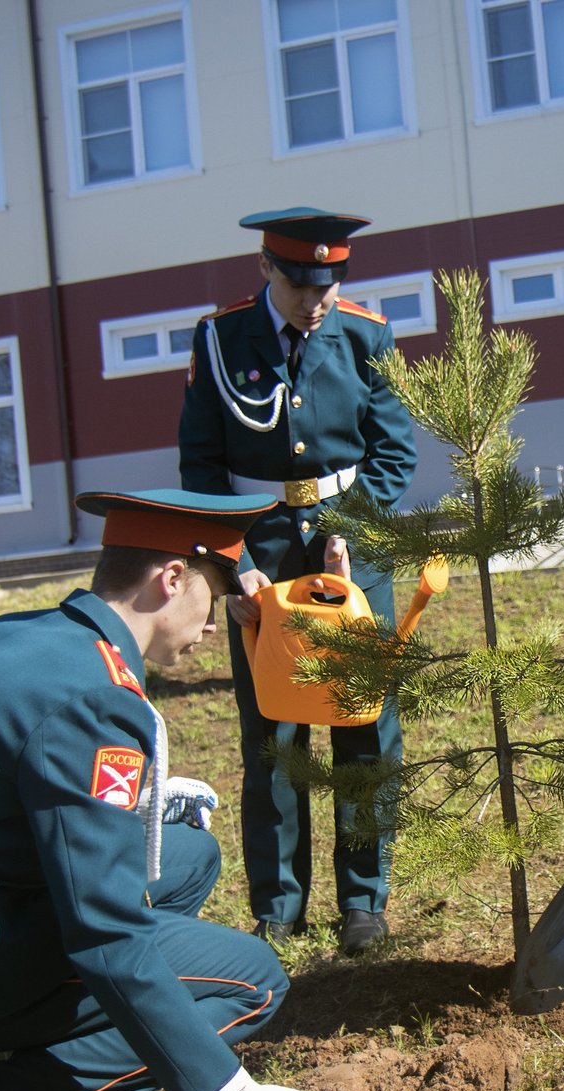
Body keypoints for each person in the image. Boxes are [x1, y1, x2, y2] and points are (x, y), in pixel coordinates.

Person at [0, 488, 340, 1091]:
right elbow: (104, 931)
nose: (215, 624)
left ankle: (97, 1034)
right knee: (255, 980)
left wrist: (134, 807)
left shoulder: (28, 632)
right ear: (172, 578)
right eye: (214, 594)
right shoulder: (97, 697)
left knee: (188, 857)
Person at [178, 207, 417, 954]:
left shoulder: (366, 335)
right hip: (264, 558)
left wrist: (354, 531)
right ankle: (279, 906)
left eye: (331, 282)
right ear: (266, 270)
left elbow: (393, 455)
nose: (317, 300)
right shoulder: (220, 340)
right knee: (274, 736)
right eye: (301, 283)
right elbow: (201, 466)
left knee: (363, 731)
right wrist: (232, 566)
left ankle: (364, 903)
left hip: (353, 551)